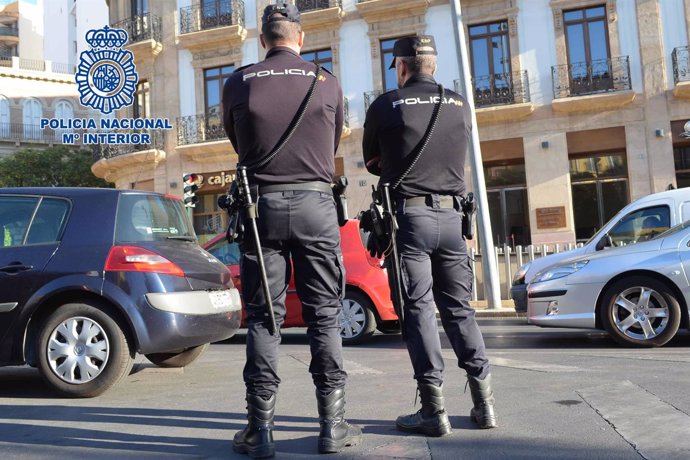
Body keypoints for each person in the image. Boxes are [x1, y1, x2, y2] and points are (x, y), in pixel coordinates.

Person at [222, 3, 361, 458]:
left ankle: (259, 431)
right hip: (316, 205)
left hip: (260, 207)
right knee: (324, 315)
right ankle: (332, 426)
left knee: (265, 318)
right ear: (300, 38)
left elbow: (237, 140)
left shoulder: (239, 81)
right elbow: (334, 136)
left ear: (263, 40)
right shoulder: (327, 82)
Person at [362, 35, 498, 437]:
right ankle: (484, 404)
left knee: (419, 311)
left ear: (402, 66)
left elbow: (373, 162)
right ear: (433, 65)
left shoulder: (386, 105)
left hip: (411, 219)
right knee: (460, 311)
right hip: (454, 221)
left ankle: (433, 411)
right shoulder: (460, 105)